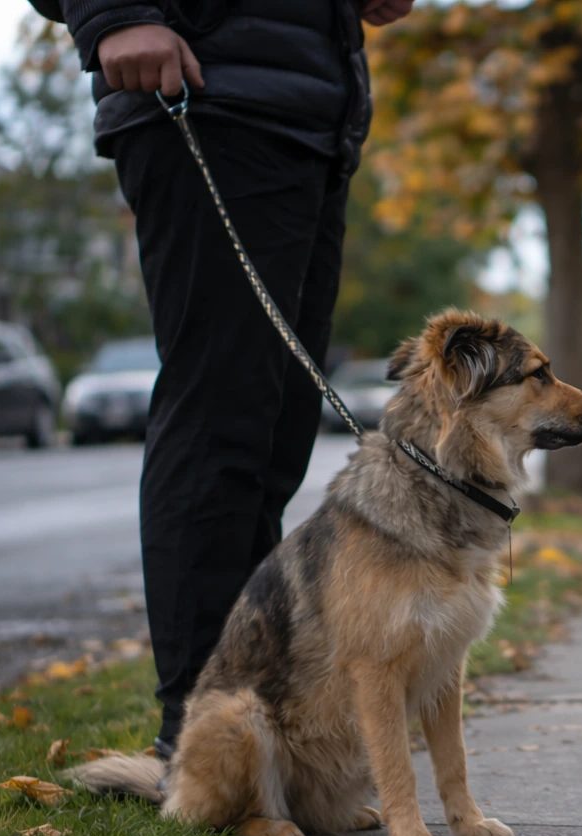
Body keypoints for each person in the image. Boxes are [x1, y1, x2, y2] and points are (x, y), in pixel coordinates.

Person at [57, 0, 415, 759]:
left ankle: (253, 726)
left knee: (277, 430)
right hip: (209, 95)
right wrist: (113, 14)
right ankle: (198, 744)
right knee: (221, 417)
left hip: (312, 117)